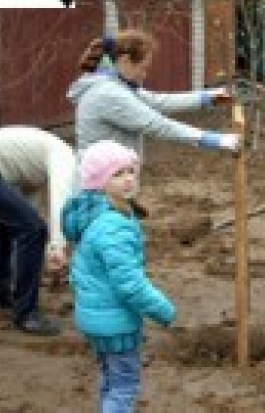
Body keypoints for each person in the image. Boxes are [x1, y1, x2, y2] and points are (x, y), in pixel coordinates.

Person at [63, 140, 175, 412]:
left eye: (130, 171)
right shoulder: (113, 227)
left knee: (110, 379)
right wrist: (163, 310)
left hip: (95, 317)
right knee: (124, 386)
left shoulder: (92, 213)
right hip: (115, 322)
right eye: (117, 174)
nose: (128, 179)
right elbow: (130, 285)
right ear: (98, 182)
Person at [67, 29, 241, 157]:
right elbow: (157, 125)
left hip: (112, 182)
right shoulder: (108, 93)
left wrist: (213, 96)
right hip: (101, 189)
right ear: (125, 60)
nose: (145, 75)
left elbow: (158, 102)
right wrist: (216, 140)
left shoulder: (116, 85)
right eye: (143, 68)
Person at [0, 126, 75, 335]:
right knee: (33, 230)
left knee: (9, 222)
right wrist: (57, 246)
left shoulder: (35, 163)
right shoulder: (65, 155)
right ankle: (26, 313)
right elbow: (60, 202)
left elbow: (25, 207)